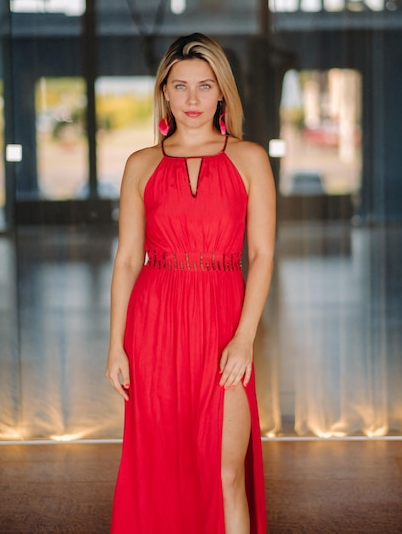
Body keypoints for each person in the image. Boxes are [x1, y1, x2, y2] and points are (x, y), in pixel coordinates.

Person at [106, 32, 276, 534]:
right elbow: (128, 259)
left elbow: (263, 254)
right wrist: (115, 345)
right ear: (164, 92)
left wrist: (244, 337)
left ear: (223, 91)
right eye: (180, 86)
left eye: (205, 86)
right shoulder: (140, 164)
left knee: (226, 473)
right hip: (153, 326)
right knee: (162, 469)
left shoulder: (250, 159)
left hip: (224, 324)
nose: (193, 99)